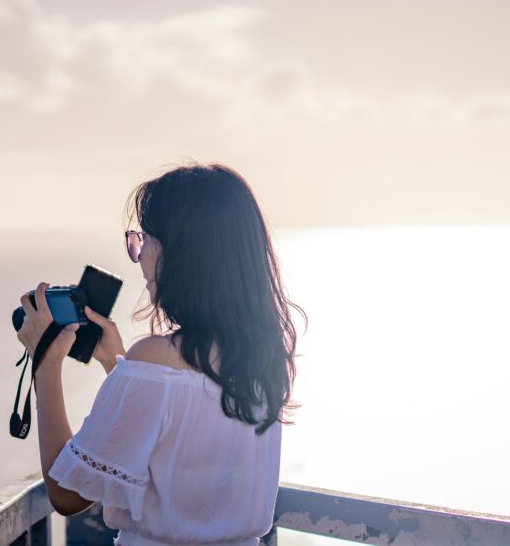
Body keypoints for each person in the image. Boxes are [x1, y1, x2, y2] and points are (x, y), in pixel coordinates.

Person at [16, 161, 306, 545]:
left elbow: (67, 494)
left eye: (142, 241)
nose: (138, 258)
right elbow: (181, 450)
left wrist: (45, 364)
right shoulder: (264, 360)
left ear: (180, 253)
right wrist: (116, 366)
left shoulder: (154, 360)